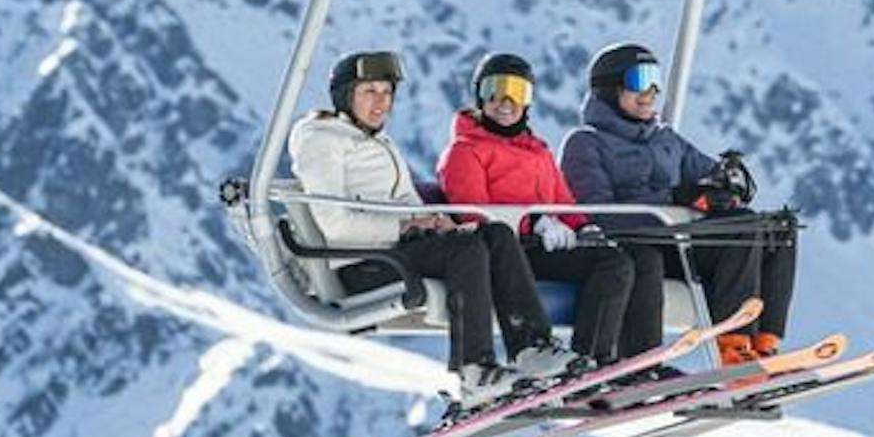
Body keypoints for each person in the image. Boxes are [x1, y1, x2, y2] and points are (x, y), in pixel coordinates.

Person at [285, 48, 564, 406]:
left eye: (387, 92)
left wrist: (435, 221)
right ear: (345, 96)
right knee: (466, 251)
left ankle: (531, 347)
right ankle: (475, 370)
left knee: (494, 234)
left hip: (396, 251)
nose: (381, 102)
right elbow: (335, 224)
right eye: (370, 91)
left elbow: (405, 202)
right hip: (361, 263)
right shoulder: (321, 140)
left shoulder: (377, 141)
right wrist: (404, 226)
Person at [558, 40, 797, 365]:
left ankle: (763, 342)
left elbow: (709, 174)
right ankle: (732, 348)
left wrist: (723, 186)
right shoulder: (586, 144)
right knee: (730, 234)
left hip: (679, 242)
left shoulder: (664, 138)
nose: (650, 91)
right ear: (610, 89)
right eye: (639, 80)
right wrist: (674, 202)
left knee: (772, 229)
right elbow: (596, 214)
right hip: (637, 242)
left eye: (655, 80)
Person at [433, 51, 655, 373]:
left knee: (615, 262)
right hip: (507, 254)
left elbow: (563, 202)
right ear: (479, 96)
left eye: (517, 92)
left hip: (543, 247)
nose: (505, 101)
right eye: (494, 90)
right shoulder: (464, 151)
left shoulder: (537, 150)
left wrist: (581, 228)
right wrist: (533, 223)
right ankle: (557, 359)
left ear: (528, 100)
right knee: (612, 263)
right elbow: (474, 216)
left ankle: (591, 360)